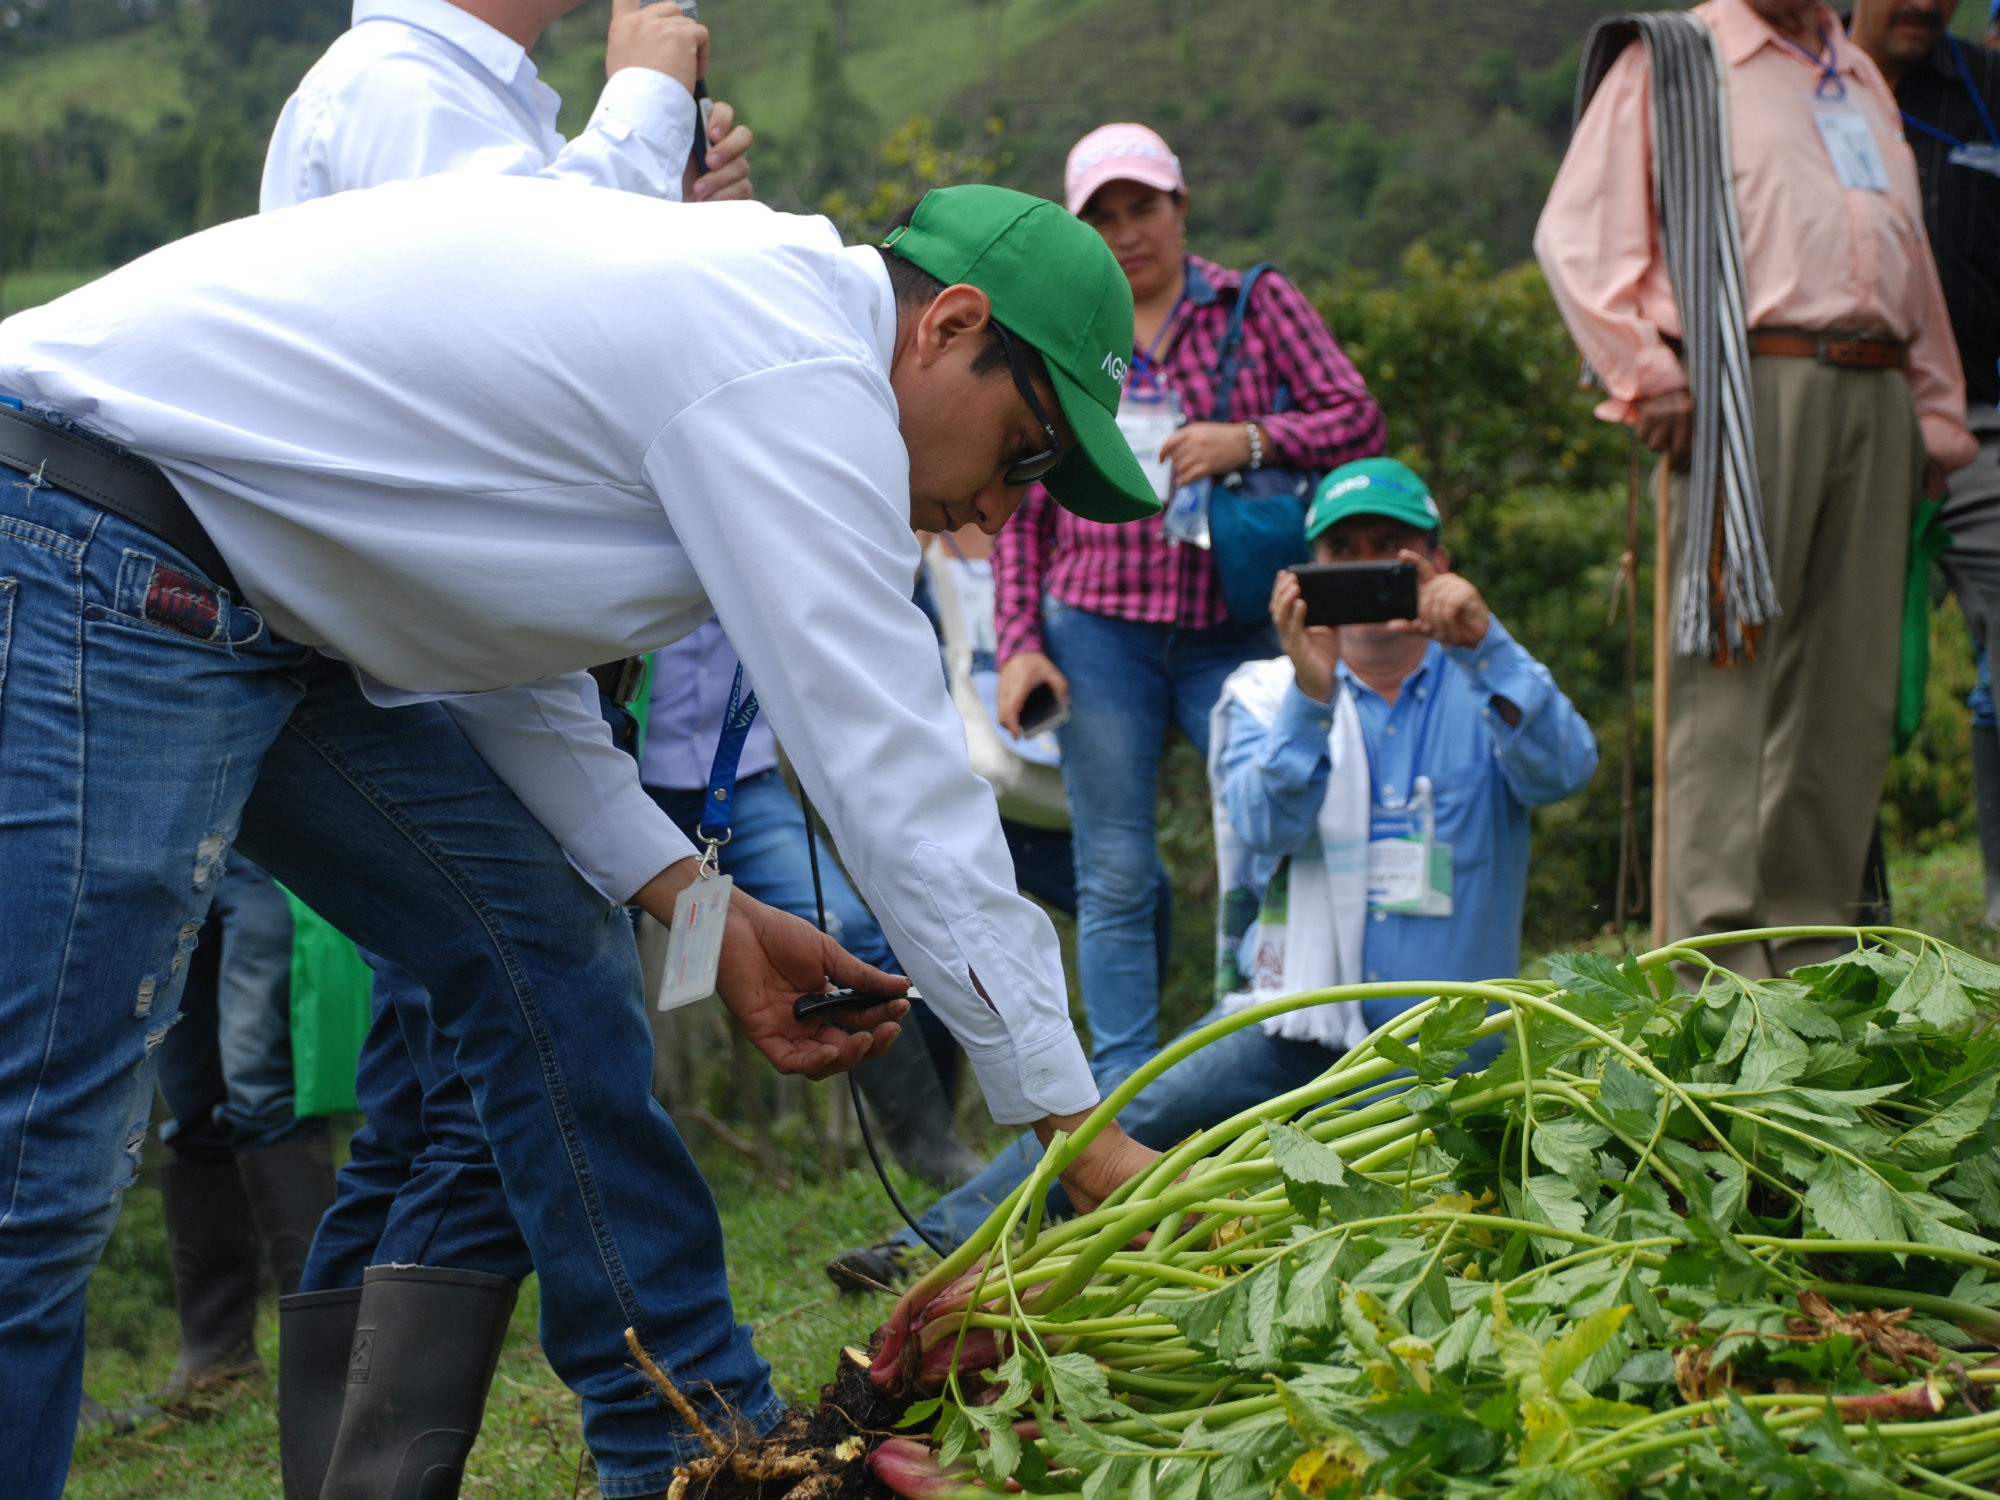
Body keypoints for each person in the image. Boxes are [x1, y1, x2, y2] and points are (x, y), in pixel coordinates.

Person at [0, 178, 1162, 1499]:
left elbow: (501, 660)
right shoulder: (794, 365)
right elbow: (894, 768)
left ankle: (704, 1448)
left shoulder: (733, 337)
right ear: (949, 325)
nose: (1000, 514)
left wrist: (692, 903)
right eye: (1023, 453)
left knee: (540, 938)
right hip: (89, 539)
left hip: (270, 601)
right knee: (35, 1171)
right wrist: (1079, 1129)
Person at [250, 5, 758, 1491]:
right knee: (511, 1051)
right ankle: (665, 1432)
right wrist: (650, 101)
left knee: (434, 1097)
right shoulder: (404, 88)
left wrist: (654, 225)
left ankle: (352, 1475)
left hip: (471, 676)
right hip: (438, 683)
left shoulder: (481, 106)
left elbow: (554, 311)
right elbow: (501, 323)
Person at [837, 458, 1598, 1270]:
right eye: (1345, 553)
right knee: (1130, 1111)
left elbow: (1565, 771)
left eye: (1393, 548)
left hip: (1459, 1032)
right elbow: (1262, 825)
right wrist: (1313, 695)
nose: (1370, 566)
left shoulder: (1487, 682)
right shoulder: (1266, 694)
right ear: (1307, 579)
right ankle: (934, 1243)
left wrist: (1489, 644)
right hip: (1300, 1021)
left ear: (1438, 566)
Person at [1537, 0, 1977, 978]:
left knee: (1846, 686)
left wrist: (1934, 413)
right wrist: (1644, 373)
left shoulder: (1854, 75)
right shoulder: (1681, 58)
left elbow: (1907, 258)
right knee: (1725, 680)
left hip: (1876, 390)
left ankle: (1811, 954)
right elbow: (1576, 236)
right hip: (1744, 385)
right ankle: (1711, 968)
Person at [992, 122, 1384, 1091]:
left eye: (1143, 209)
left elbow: (1353, 414)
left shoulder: (1251, 303)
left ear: (1180, 208)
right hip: (1096, 628)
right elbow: (1024, 501)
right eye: (1104, 217)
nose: (1127, 234)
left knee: (1266, 845)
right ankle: (1126, 1095)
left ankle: (1251, 1053)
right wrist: (1017, 643)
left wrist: (1245, 441)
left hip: (1235, 633)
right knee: (1115, 873)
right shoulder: (1065, 324)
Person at [640, 620, 984, 1188]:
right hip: (611, 771)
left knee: (845, 928)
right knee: (592, 978)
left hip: (736, 783)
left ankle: (938, 1157)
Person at [1850, 0, 2000, 923]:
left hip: (1985, 423)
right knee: (1838, 670)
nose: (1920, 3)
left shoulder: (1986, 94)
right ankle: (1848, 913)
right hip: (1847, 416)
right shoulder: (1801, 87)